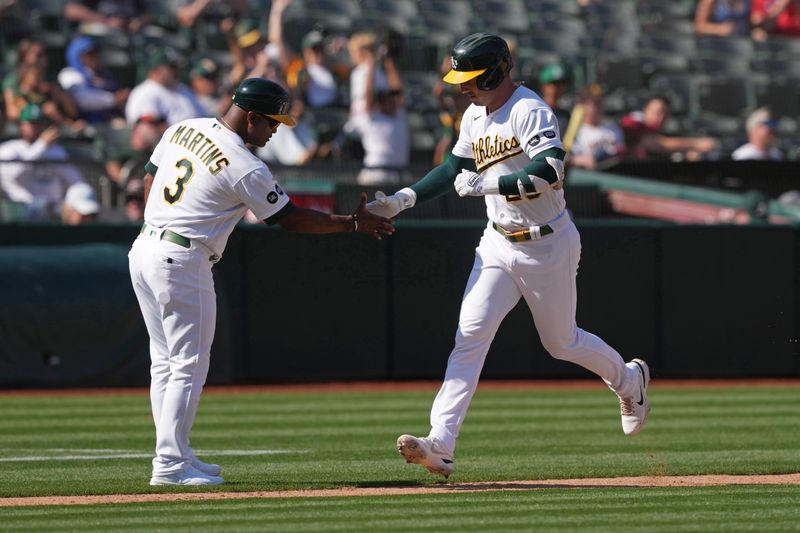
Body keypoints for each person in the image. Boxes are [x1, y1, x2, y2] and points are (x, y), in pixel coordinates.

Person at [366, 33, 651, 478]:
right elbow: (454, 169)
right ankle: (440, 443)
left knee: (562, 343)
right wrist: (403, 198)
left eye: (471, 78)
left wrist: (490, 184)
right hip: (497, 240)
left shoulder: (528, 109)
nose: (462, 87)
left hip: (547, 242)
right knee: (469, 334)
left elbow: (552, 169)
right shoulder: (474, 115)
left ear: (496, 71)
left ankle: (629, 379)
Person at [128, 78, 394, 486]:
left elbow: (150, 177)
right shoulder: (244, 163)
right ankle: (169, 464)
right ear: (251, 117)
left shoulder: (183, 128)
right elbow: (290, 219)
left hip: (145, 247)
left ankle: (175, 453)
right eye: (272, 122)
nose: (276, 130)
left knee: (164, 362)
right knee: (187, 364)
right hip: (182, 257)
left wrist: (158, 223)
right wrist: (353, 222)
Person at [0, 103, 87, 221]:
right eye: (31, 124)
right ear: (21, 125)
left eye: (39, 124)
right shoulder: (8, 149)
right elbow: (15, 174)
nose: (36, 128)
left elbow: (76, 180)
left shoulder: (55, 151)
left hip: (54, 210)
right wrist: (41, 145)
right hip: (19, 210)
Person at [620, 96, 718, 161]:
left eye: (665, 114)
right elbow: (659, 144)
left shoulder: (664, 134)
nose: (661, 118)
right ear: (646, 110)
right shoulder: (634, 121)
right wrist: (696, 144)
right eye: (657, 112)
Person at [58, 35, 130, 124]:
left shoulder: (104, 75)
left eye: (96, 52)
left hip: (107, 124)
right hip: (85, 128)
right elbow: (80, 99)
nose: (94, 57)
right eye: (89, 54)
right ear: (78, 56)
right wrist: (113, 99)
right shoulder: (69, 74)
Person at [125, 50, 207, 126]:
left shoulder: (184, 90)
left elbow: (204, 116)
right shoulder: (145, 92)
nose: (177, 71)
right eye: (172, 68)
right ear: (155, 70)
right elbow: (147, 127)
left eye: (177, 67)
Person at [568, 88, 625, 169]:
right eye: (595, 103)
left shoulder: (614, 127)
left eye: (601, 102)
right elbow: (567, 158)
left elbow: (621, 151)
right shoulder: (575, 131)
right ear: (583, 105)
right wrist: (580, 160)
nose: (600, 107)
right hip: (590, 174)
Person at [537, 62, 573, 137]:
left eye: (563, 83)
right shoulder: (536, 111)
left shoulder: (565, 114)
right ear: (544, 86)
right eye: (556, 84)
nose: (560, 88)